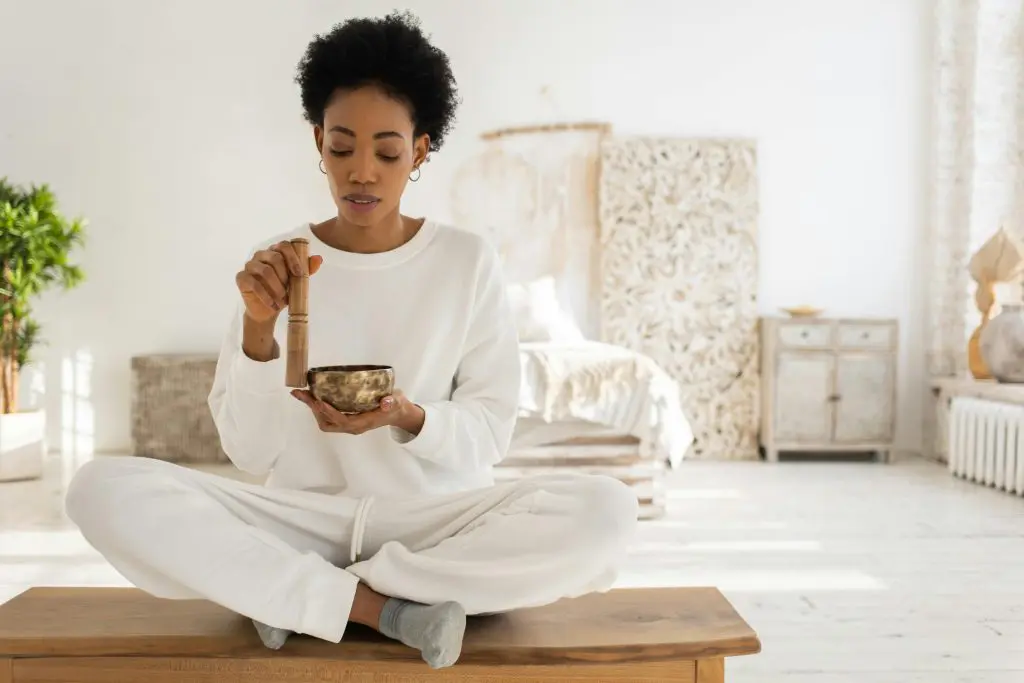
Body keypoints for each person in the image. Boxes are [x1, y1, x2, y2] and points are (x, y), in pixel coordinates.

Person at [64, 11, 638, 670]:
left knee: (607, 512)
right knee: (98, 487)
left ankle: (297, 597)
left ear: (420, 151)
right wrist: (258, 328)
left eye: (388, 151)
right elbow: (248, 450)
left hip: (433, 525)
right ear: (318, 141)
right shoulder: (278, 262)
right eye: (341, 147)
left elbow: (490, 431)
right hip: (301, 519)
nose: (362, 171)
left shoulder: (465, 260)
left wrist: (407, 416)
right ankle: (383, 610)